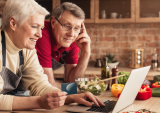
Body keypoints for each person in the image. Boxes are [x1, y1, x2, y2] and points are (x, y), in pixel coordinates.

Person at [0, 0, 104, 111]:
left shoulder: (26, 49)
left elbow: (40, 85)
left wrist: (72, 96)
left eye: (41, 28)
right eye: (35, 26)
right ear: (13, 24)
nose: (39, 35)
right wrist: (38, 102)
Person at [35, 2, 91, 88]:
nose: (71, 34)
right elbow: (47, 86)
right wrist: (75, 92)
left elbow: (71, 81)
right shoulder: (42, 34)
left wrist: (85, 52)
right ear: (53, 23)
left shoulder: (73, 40)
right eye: (67, 26)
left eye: (76, 28)